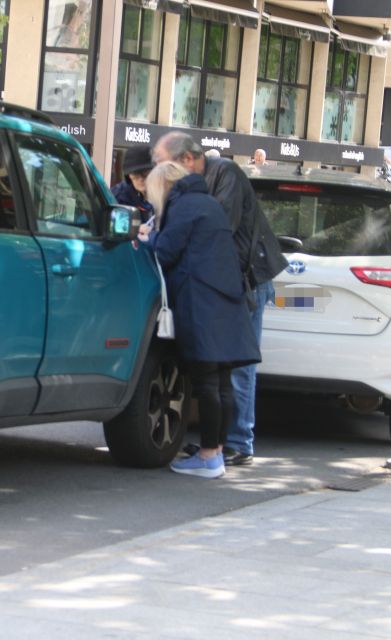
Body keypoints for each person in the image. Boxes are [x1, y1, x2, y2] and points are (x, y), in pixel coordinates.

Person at [153, 132, 288, 466]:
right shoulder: (200, 189)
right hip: (227, 283)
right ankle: (218, 445)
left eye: (162, 163)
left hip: (241, 281)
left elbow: (216, 229)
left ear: (186, 160)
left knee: (232, 368)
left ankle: (235, 443)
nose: (159, 171)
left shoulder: (223, 175)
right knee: (224, 371)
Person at [138, 161, 260, 478]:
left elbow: (165, 252)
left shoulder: (182, 207)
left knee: (207, 383)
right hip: (226, 301)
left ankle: (207, 457)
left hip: (201, 302)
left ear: (163, 185)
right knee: (222, 384)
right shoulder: (208, 203)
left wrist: (148, 237)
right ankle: (216, 452)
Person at [111, 145, 154, 222]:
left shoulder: (164, 194)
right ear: (129, 176)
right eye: (135, 175)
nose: (140, 179)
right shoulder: (119, 197)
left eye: (145, 174)